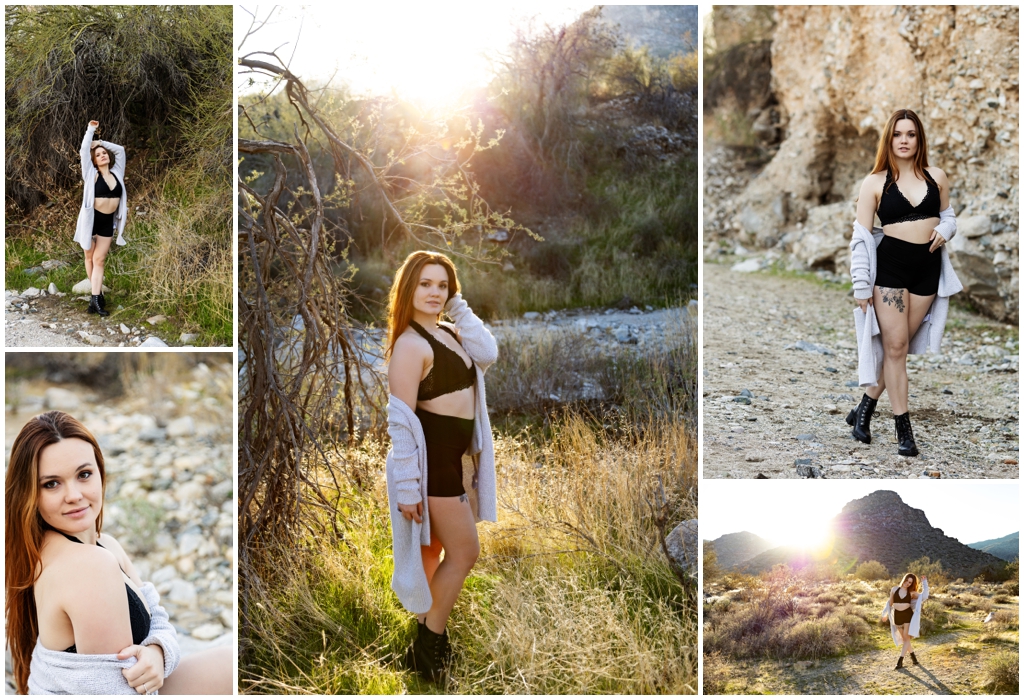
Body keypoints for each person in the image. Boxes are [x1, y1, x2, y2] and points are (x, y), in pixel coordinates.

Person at [5, 411, 232, 695]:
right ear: (29, 494)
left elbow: (159, 617)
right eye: (51, 483)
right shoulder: (86, 567)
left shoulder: (104, 546)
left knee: (228, 665)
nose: (74, 494)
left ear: (101, 473)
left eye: (84, 474)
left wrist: (157, 653)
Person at [384, 250, 498, 683]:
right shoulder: (410, 345)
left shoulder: (450, 331)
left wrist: (457, 307)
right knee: (466, 551)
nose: (434, 292)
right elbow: (399, 420)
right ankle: (429, 648)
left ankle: (425, 634)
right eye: (426, 284)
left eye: (443, 285)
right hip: (430, 468)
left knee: (434, 553)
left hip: (453, 460)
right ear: (409, 287)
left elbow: (487, 351)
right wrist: (409, 488)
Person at [847, 108, 962, 456]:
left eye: (910, 134)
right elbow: (860, 237)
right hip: (891, 270)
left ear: (919, 139)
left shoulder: (936, 177)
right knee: (895, 349)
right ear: (889, 139)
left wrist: (945, 229)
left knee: (898, 350)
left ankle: (863, 412)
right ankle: (904, 431)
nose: (904, 140)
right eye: (898, 134)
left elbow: (949, 216)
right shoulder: (875, 182)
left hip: (926, 272)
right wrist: (861, 285)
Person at [74, 120, 129, 317]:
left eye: (104, 153)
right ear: (94, 161)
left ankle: (94, 297)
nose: (103, 155)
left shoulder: (117, 173)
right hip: (91, 220)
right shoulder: (91, 174)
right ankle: (97, 298)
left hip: (108, 222)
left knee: (100, 259)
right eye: (98, 155)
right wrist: (90, 131)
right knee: (90, 257)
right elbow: (83, 151)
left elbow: (121, 150)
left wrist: (101, 143)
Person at [880, 573, 929, 669]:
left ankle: (900, 661)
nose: (907, 583)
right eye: (907, 580)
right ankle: (914, 658)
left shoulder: (912, 593)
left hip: (907, 615)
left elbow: (924, 596)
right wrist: (884, 614)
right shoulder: (894, 589)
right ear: (904, 579)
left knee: (906, 638)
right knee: (904, 639)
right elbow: (889, 604)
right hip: (897, 616)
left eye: (910, 582)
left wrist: (925, 583)